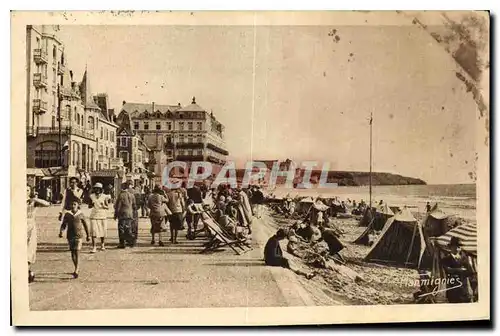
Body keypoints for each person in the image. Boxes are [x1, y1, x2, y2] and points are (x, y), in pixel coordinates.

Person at [59, 200, 90, 278]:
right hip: (70, 236)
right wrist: (61, 232)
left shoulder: (81, 214)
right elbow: (64, 224)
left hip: (79, 236)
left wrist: (88, 235)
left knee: (77, 252)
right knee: (72, 253)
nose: (73, 206)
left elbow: (86, 225)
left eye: (74, 204)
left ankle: (76, 269)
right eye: (72, 204)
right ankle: (76, 267)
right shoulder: (67, 214)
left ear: (77, 205)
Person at [27, 185, 50, 283]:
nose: (26, 191)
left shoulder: (33, 202)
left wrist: (34, 199)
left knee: (29, 249)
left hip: (30, 226)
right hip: (18, 225)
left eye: (27, 190)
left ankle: (27, 271)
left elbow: (47, 204)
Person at [441, 236, 474, 303]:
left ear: (460, 248)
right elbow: (447, 270)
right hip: (452, 292)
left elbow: (470, 272)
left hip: (464, 292)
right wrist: (460, 270)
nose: (456, 249)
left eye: (458, 247)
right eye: (454, 246)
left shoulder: (464, 259)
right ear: (450, 248)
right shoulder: (445, 260)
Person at [88, 182, 111, 253]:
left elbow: (108, 207)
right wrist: (91, 205)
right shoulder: (91, 196)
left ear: (101, 189)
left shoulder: (105, 196)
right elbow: (89, 206)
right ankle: (94, 247)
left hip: (102, 216)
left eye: (99, 189)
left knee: (102, 231)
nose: (97, 190)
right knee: (94, 231)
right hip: (94, 215)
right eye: (96, 189)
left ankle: (102, 245)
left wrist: (104, 206)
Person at [114, 182, 137, 248]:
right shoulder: (132, 195)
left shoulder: (121, 195)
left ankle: (122, 243)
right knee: (128, 228)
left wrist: (116, 215)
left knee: (121, 228)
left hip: (122, 214)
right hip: (130, 214)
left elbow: (118, 206)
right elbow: (134, 206)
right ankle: (131, 241)